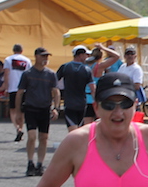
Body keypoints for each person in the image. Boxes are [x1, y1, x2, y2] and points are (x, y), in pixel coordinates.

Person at [15, 47, 60, 176]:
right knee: (32, 136)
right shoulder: (28, 74)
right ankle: (30, 163)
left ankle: (40, 164)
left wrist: (56, 108)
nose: (45, 59)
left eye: (47, 56)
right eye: (43, 56)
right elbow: (19, 93)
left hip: (45, 109)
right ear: (36, 56)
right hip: (31, 108)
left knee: (44, 138)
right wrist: (18, 112)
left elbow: (56, 92)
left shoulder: (51, 74)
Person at [56, 47, 94, 131]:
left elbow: (54, 83)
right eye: (86, 55)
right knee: (79, 130)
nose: (87, 57)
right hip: (82, 104)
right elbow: (93, 88)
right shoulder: (87, 69)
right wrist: (96, 103)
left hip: (69, 104)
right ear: (80, 55)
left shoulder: (65, 67)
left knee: (73, 131)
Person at [5, 44, 32, 141]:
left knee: (13, 110)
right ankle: (21, 127)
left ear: (13, 50)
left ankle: (17, 128)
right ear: (22, 50)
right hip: (24, 88)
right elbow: (30, 74)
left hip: (13, 87)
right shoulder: (27, 60)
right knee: (21, 111)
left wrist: (6, 87)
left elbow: (6, 74)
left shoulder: (8, 59)